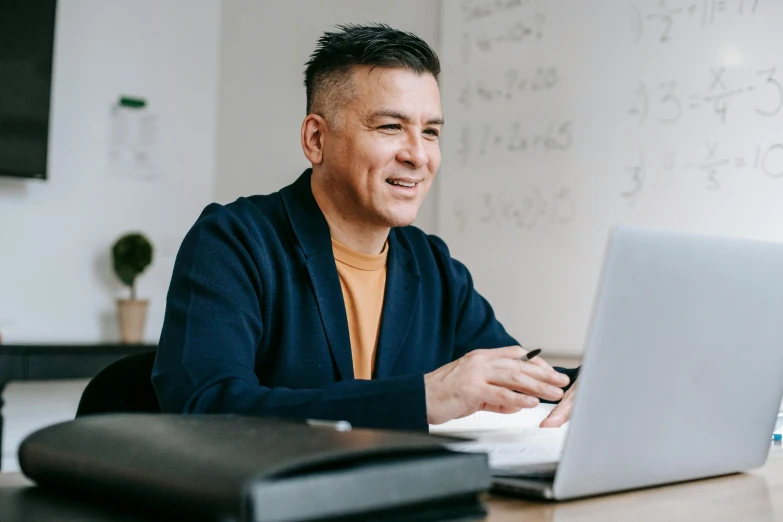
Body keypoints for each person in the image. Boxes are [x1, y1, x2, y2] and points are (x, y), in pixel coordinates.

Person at [153, 24, 578, 431]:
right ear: (316, 140)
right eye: (391, 126)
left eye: (430, 131)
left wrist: (583, 384)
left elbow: (517, 376)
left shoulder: (433, 265)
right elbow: (203, 409)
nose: (418, 156)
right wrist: (421, 398)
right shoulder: (234, 242)